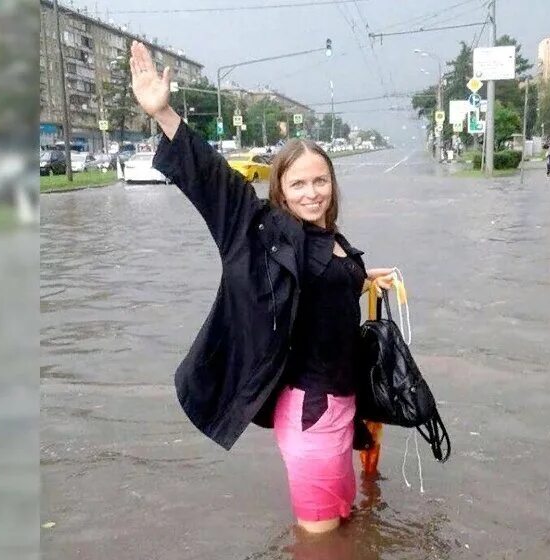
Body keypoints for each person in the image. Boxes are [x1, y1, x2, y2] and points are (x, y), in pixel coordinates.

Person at [128, 41, 397, 534]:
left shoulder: (333, 240)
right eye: (298, 185)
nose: (312, 192)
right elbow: (213, 181)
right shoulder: (262, 232)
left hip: (344, 408)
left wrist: (364, 276)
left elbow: (320, 291)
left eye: (321, 181)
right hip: (310, 415)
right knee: (317, 541)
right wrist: (164, 112)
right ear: (280, 190)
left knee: (346, 519)